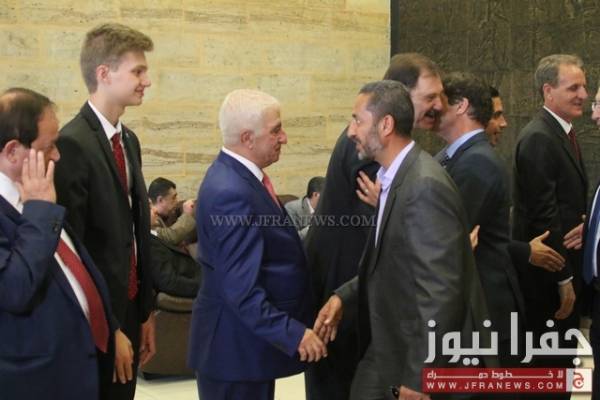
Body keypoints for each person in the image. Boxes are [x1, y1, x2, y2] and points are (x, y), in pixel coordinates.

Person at [315, 80, 491, 400]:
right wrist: (344, 296)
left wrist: (420, 375)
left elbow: (441, 290)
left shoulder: (423, 186)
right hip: (390, 343)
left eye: (357, 120)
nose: (351, 131)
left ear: (385, 125)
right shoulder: (393, 178)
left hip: (415, 352)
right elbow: (389, 262)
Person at [303, 52, 446, 400]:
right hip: (346, 284)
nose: (439, 106)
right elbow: (389, 238)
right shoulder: (368, 149)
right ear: (399, 99)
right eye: (430, 97)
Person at [189, 89, 326, 400]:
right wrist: (293, 333)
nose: (284, 138)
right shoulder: (230, 192)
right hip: (232, 354)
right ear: (247, 138)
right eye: (276, 130)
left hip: (246, 351)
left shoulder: (240, 178)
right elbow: (240, 288)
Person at [54, 23, 156, 400]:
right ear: (104, 73)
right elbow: (72, 249)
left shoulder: (128, 140)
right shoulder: (72, 143)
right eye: (137, 71)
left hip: (129, 307)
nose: (147, 81)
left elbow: (134, 233)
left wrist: (144, 311)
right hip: (96, 318)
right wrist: (109, 326)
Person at [0, 88, 114, 399]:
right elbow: (14, 289)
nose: (57, 156)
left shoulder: (34, 190)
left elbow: (71, 267)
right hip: (36, 383)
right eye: (48, 146)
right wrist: (39, 210)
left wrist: (111, 327)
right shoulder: (37, 200)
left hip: (82, 368)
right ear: (13, 151)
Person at [435, 72, 524, 367]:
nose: (432, 109)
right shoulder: (456, 156)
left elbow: (443, 239)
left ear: (460, 106)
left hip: (483, 313)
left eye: (438, 101)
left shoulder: (476, 162)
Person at [513, 54, 587, 397]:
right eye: (573, 88)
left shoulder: (563, 133)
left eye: (584, 87)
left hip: (563, 271)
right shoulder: (539, 137)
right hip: (548, 284)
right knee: (548, 376)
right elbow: (544, 216)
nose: (583, 95)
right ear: (548, 91)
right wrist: (564, 279)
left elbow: (566, 203)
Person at [149, 205, 201, 298]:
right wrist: (204, 286)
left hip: (196, 274)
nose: (155, 209)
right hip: (194, 283)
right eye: (149, 207)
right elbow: (168, 282)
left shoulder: (151, 235)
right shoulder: (148, 242)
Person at [148, 177, 196, 246]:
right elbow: (169, 238)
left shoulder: (163, 214)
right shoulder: (149, 217)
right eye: (173, 198)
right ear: (160, 200)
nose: (176, 201)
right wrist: (187, 215)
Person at [284, 176, 324, 240]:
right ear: (316, 195)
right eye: (326, 195)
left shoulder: (327, 207)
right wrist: (313, 227)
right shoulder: (291, 208)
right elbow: (293, 238)